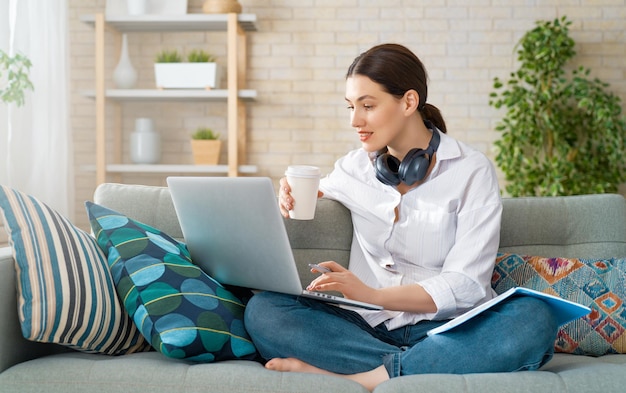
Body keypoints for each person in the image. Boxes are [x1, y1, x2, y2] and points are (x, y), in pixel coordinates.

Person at [243, 43, 558, 391]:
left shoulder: (471, 171)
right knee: (264, 310)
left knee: (533, 319)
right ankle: (425, 365)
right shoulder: (353, 168)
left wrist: (371, 295)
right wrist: (288, 188)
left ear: (408, 102)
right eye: (351, 107)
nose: (354, 120)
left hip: (447, 328)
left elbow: (468, 284)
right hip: (365, 329)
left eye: (367, 106)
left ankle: (367, 379)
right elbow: (314, 190)